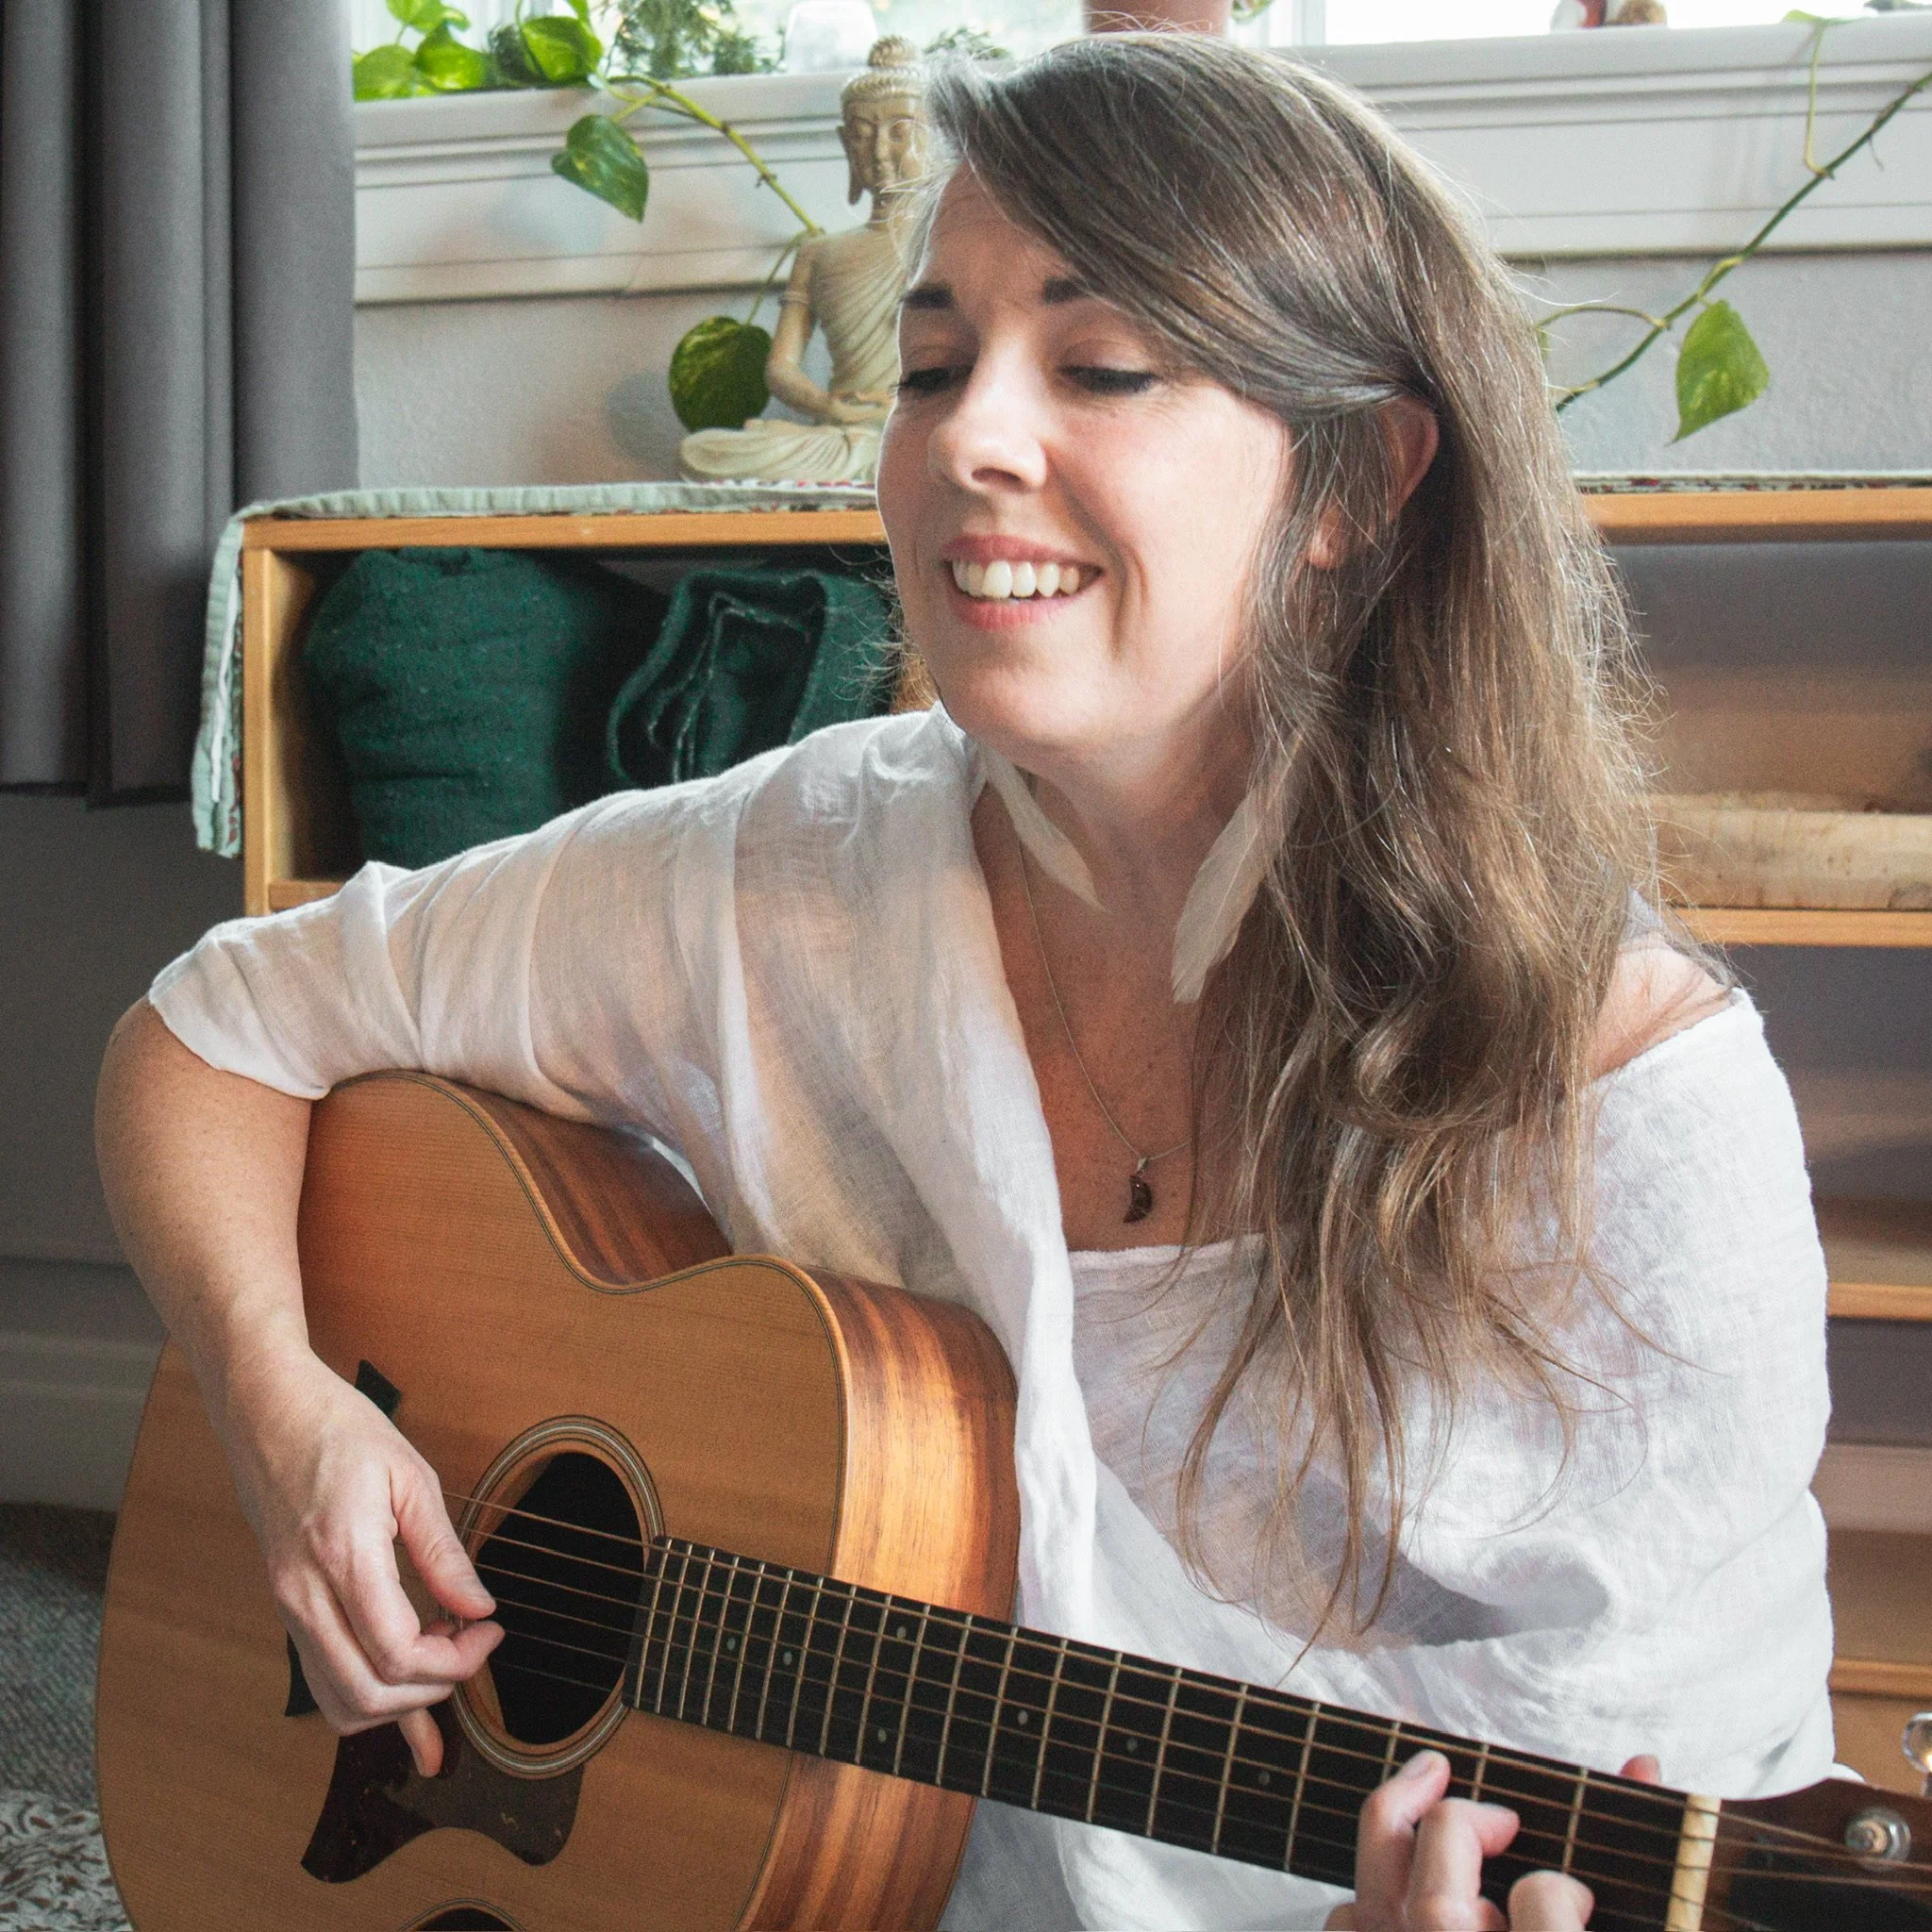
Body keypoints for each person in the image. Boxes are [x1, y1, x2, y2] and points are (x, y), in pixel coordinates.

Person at [95, 36, 1833, 1932]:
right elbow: (212, 1029)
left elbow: (1684, 1779)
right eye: (929, 368)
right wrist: (289, 1417)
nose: (964, 440)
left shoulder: (1625, 1117)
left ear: (1359, 478)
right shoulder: (778, 875)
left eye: (1098, 367)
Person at [678, 37, 925, 486]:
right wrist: (828, 408)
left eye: (900, 133)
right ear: (845, 144)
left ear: (933, 135)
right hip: (840, 435)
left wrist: (902, 407)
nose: (880, 154)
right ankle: (864, 461)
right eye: (863, 136)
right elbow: (780, 369)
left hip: (919, 431)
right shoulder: (819, 253)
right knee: (704, 451)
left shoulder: (948, 244)